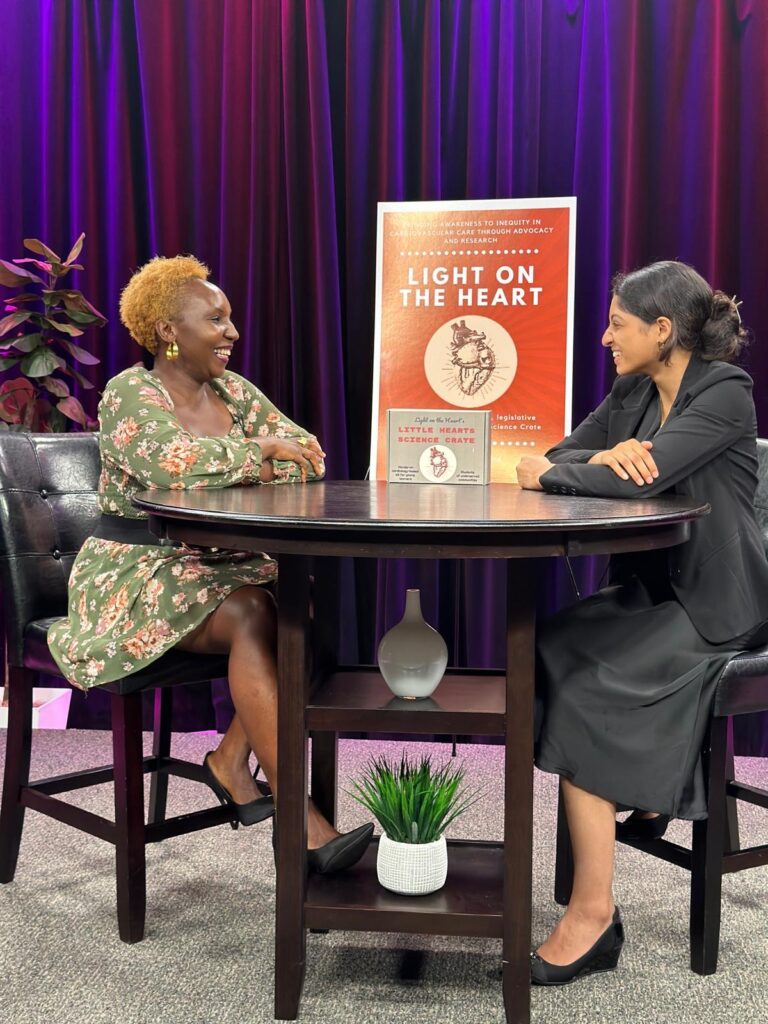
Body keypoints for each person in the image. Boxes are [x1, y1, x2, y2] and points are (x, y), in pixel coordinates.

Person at [48, 255, 373, 873]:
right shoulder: (130, 393)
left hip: (221, 565)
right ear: (168, 330)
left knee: (299, 610)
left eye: (229, 319)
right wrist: (260, 453)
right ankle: (301, 822)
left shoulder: (234, 392)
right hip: (137, 569)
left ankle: (229, 761)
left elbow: (310, 456)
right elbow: (168, 464)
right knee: (254, 612)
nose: (232, 332)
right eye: (216, 319)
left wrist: (255, 458)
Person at [516, 261, 768, 985]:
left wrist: (602, 466)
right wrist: (605, 454)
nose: (605, 338)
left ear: (662, 330)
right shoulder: (631, 392)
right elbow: (562, 456)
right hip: (652, 592)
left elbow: (634, 474)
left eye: (617, 324)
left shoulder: (725, 391)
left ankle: (593, 914)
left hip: (718, 605)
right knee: (549, 645)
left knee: (587, 689)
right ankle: (647, 782)